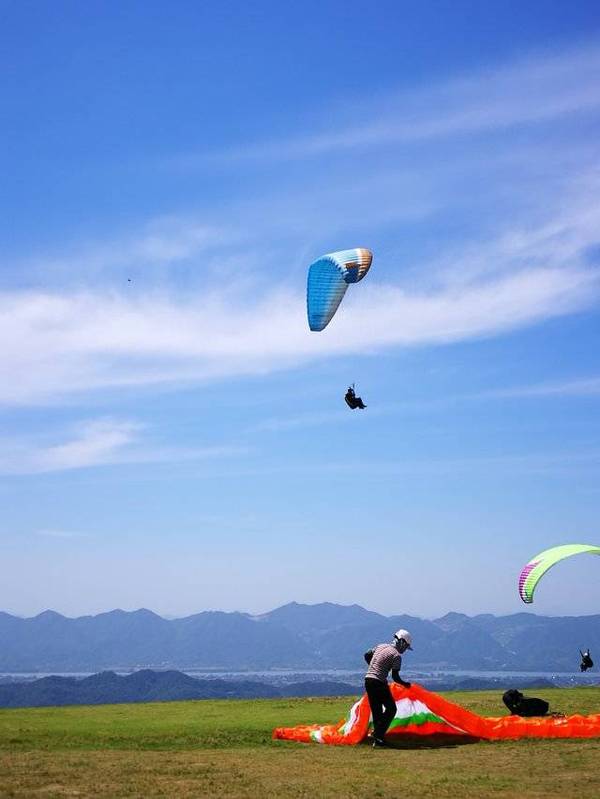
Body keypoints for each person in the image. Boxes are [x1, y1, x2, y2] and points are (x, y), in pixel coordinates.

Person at [363, 629, 412, 748]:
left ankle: (377, 738)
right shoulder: (396, 656)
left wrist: (373, 667)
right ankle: (378, 735)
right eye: (406, 647)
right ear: (402, 642)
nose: (405, 650)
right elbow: (395, 677)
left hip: (368, 680)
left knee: (377, 711)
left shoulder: (381, 646)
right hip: (379, 682)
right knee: (391, 709)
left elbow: (367, 654)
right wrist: (406, 684)